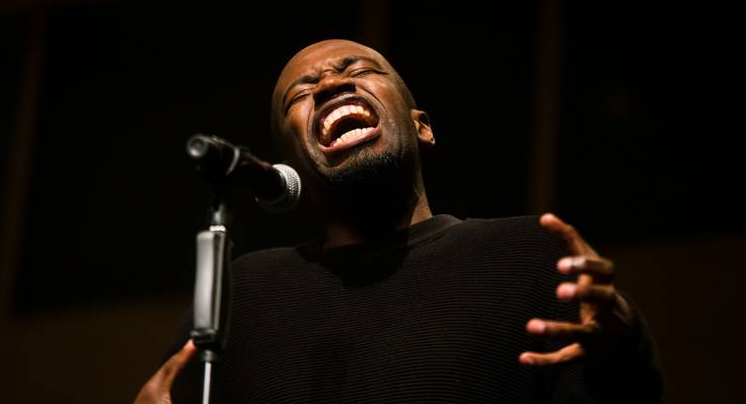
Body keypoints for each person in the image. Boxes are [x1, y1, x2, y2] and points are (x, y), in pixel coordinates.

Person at [134, 39, 663, 403]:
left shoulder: (526, 253)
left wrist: (622, 345)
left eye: (359, 71)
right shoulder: (247, 293)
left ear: (422, 128)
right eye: (300, 92)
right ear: (289, 163)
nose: (327, 85)